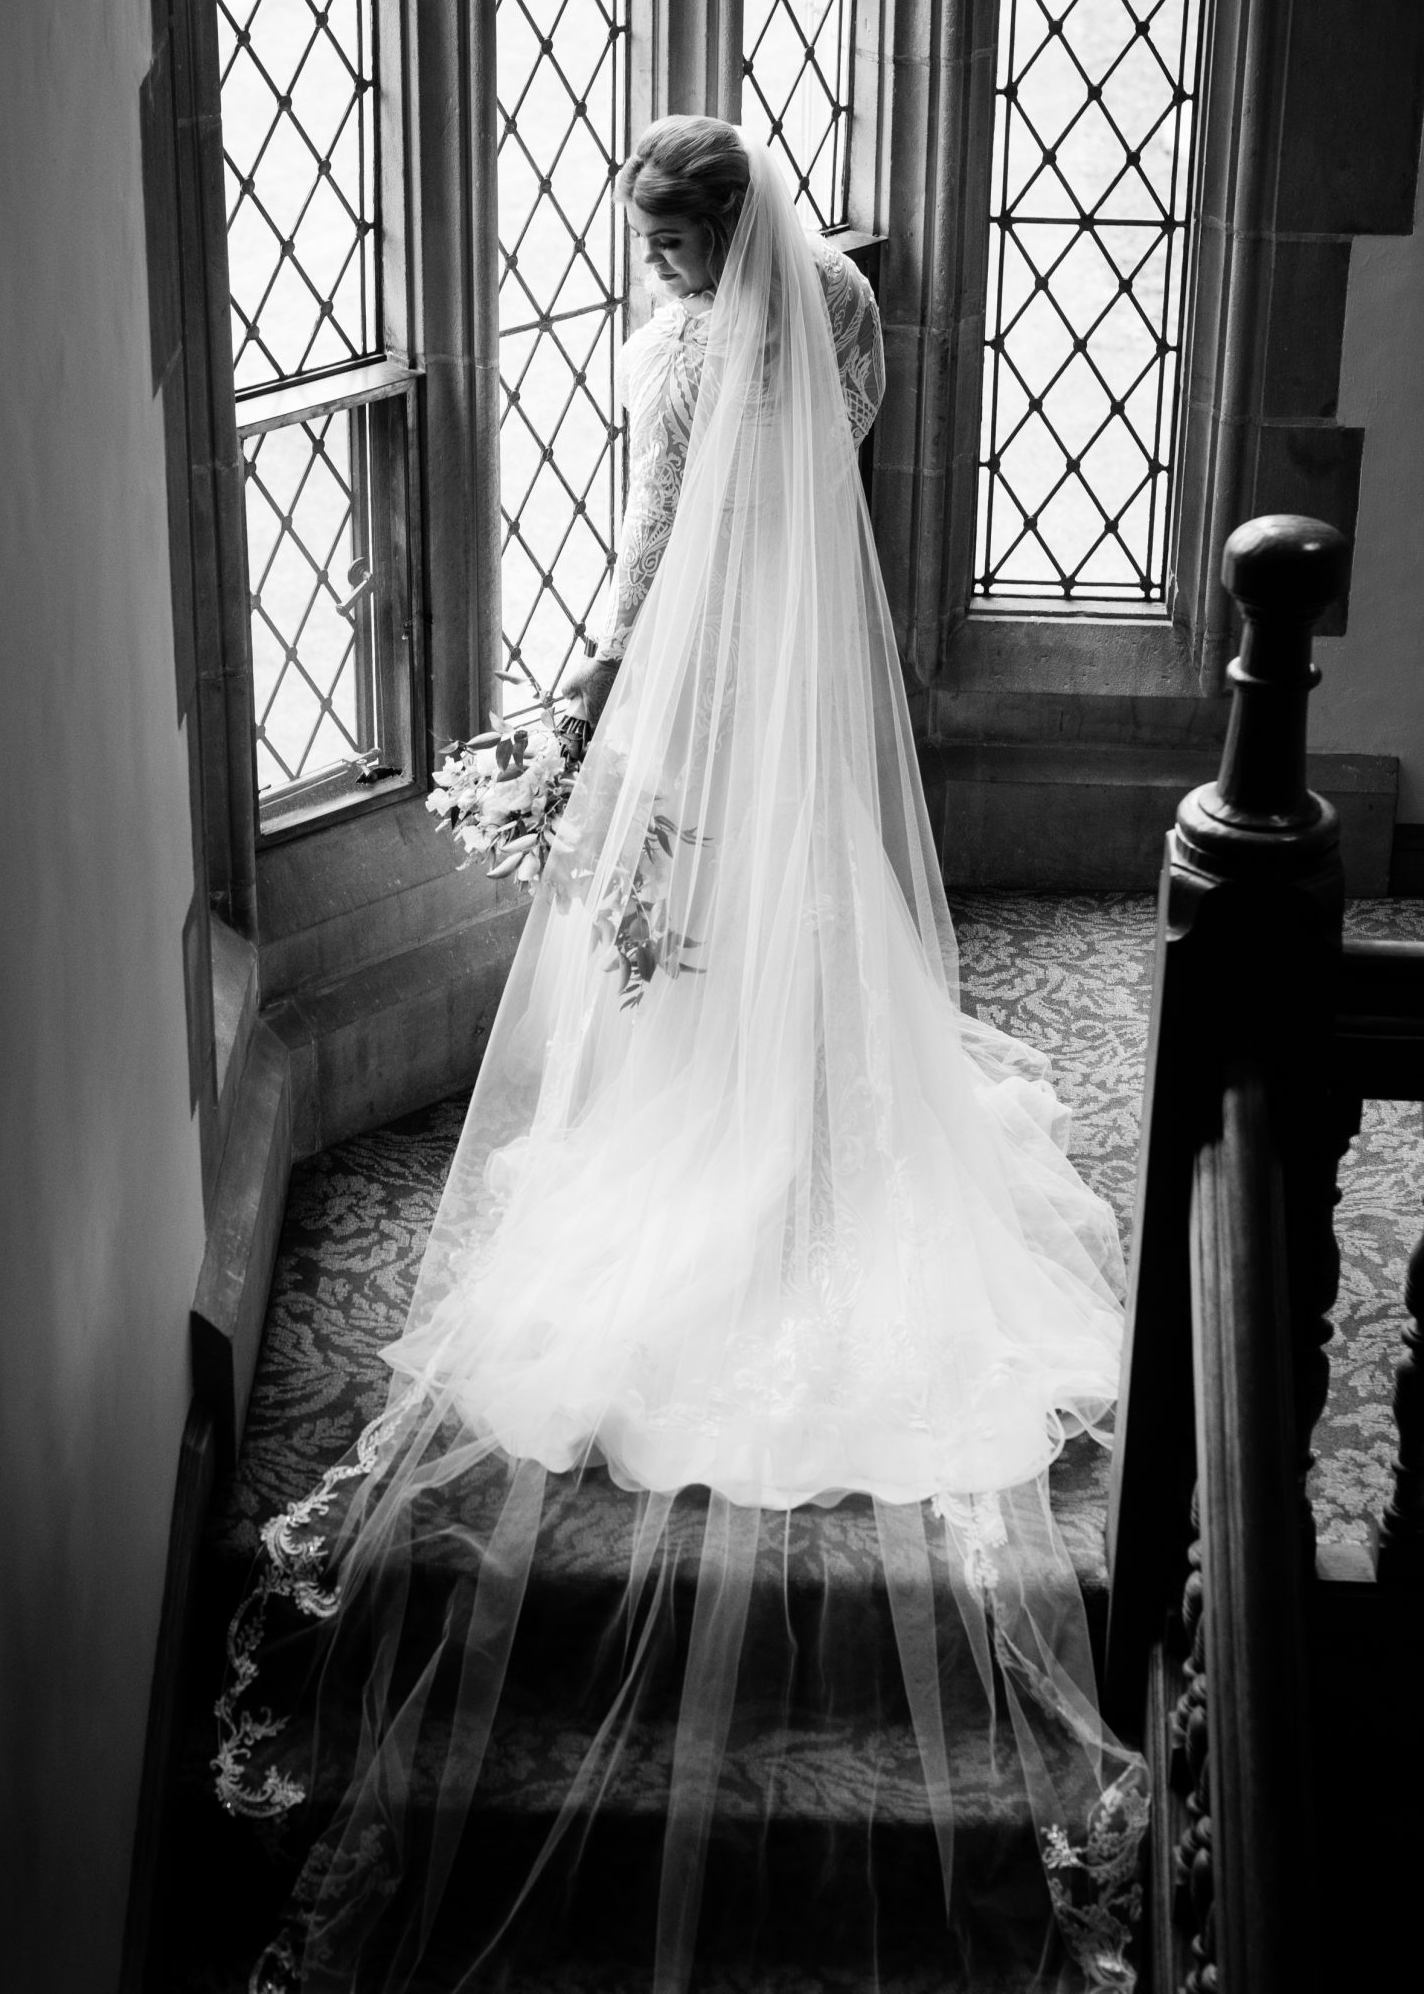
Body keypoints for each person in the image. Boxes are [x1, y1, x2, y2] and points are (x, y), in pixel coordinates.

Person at [216, 120, 1146, 1992]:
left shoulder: (664, 359)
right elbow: (844, 441)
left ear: (692, 237)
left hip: (698, 676)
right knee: (797, 912)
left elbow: (649, 547)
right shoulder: (841, 304)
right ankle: (809, 1108)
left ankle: (726, 1125)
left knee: (674, 944)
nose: (639, 269)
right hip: (800, 673)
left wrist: (578, 695)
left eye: (650, 241)